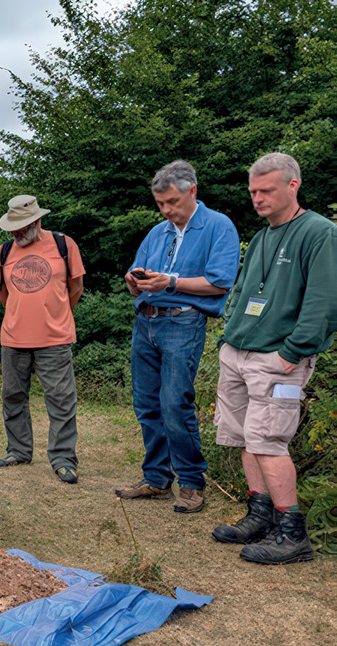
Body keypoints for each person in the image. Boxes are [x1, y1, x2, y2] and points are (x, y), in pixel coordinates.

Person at [211, 152, 337, 564]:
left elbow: (324, 301)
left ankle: (292, 531)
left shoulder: (319, 232)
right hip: (239, 351)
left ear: (292, 185)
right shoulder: (263, 235)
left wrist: (293, 352)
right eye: (253, 192)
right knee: (246, 438)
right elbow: (245, 289)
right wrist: (229, 336)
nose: (258, 199)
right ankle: (260, 515)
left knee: (268, 441)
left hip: (278, 358)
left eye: (266, 190)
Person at [117, 160, 240, 513]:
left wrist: (169, 281)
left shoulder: (219, 226)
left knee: (175, 404)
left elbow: (220, 281)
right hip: (146, 322)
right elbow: (137, 277)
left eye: (172, 202)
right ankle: (156, 478)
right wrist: (134, 281)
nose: (167, 210)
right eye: (160, 204)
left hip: (183, 324)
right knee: (147, 405)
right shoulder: (158, 231)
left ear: (192, 191)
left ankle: (190, 481)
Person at [0, 195, 85, 483]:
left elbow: (76, 287)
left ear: (36, 220)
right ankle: (18, 450)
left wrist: (55, 315)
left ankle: (63, 458)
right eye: (12, 227)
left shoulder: (63, 245)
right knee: (12, 397)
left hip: (55, 340)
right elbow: (3, 293)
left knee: (61, 400)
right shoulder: (4, 251)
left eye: (21, 226)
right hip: (13, 339)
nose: (15, 232)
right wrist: (21, 316)